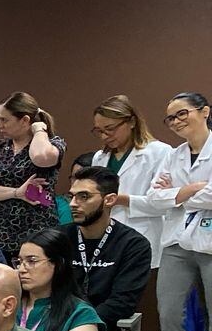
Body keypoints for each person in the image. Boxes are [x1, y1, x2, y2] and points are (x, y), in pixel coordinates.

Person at [148, 91, 212, 331]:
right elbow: (153, 197)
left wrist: (177, 195)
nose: (175, 122)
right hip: (176, 242)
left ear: (204, 112)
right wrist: (192, 191)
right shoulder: (172, 156)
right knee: (170, 311)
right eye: (170, 118)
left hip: (210, 244)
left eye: (181, 114)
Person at [66, 166, 153, 331]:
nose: (74, 203)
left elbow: (122, 302)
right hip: (57, 323)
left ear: (109, 200)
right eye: (72, 196)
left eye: (84, 196)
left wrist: (80, 325)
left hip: (103, 329)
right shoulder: (60, 239)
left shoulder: (134, 245)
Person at [75, 95, 174, 267]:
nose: (105, 136)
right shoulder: (100, 157)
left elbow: (162, 204)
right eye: (99, 131)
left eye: (110, 128)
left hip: (144, 235)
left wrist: (122, 200)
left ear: (132, 122)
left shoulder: (160, 152)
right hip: (105, 237)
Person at [0, 91, 65, 253]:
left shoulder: (52, 144)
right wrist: (17, 192)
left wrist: (39, 130)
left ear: (25, 120)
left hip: (35, 233)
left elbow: (40, 157)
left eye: (4, 120)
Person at [15, 228, 103, 331]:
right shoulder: (8, 304)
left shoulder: (80, 314)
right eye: (19, 262)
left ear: (58, 264)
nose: (21, 269)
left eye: (31, 261)